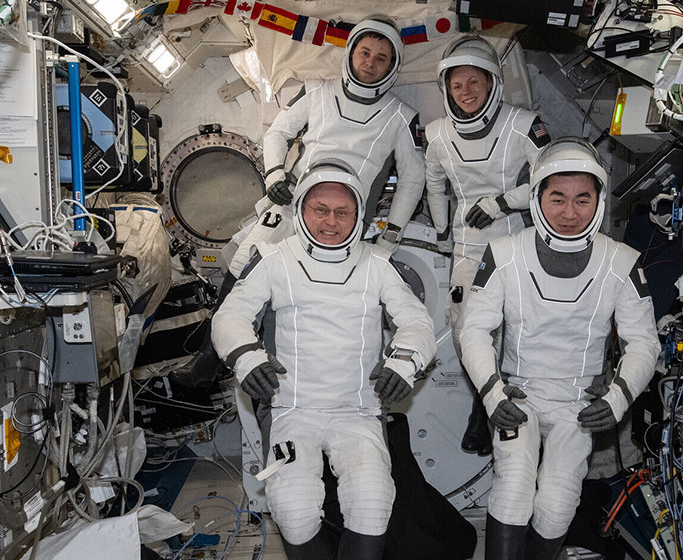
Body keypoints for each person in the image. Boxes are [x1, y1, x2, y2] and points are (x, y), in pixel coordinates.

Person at [212, 163, 436, 560]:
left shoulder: (377, 264)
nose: (331, 222)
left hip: (358, 411)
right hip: (292, 409)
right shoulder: (274, 259)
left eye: (342, 212)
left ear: (358, 216)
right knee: (293, 506)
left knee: (372, 500)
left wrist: (404, 362)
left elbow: (416, 321)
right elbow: (230, 316)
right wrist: (246, 357)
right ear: (301, 209)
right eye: (320, 209)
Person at [457, 139, 661, 560]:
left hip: (579, 403)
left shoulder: (621, 261)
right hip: (518, 395)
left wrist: (619, 396)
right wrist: (492, 392)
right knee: (513, 490)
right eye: (558, 199)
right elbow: (474, 330)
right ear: (537, 198)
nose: (570, 213)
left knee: (556, 506)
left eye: (582, 200)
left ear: (599, 201)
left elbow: (643, 341)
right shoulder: (504, 254)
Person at [421, 35, 552, 455]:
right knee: (465, 327)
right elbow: (434, 182)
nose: (466, 92)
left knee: (514, 328)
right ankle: (485, 401)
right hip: (467, 248)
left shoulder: (523, 125)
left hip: (513, 242)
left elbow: (550, 180)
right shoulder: (437, 134)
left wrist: (501, 203)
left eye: (474, 82)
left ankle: (504, 410)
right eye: (457, 85)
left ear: (493, 82)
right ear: (446, 89)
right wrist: (442, 228)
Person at [227, 16, 426, 277]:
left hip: (345, 219)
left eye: (381, 58)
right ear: (351, 51)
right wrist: (274, 176)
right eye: (365, 52)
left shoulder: (401, 117)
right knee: (243, 266)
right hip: (292, 203)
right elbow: (278, 133)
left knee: (313, 287)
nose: (370, 63)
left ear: (392, 65)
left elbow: (413, 179)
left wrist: (392, 234)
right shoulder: (316, 91)